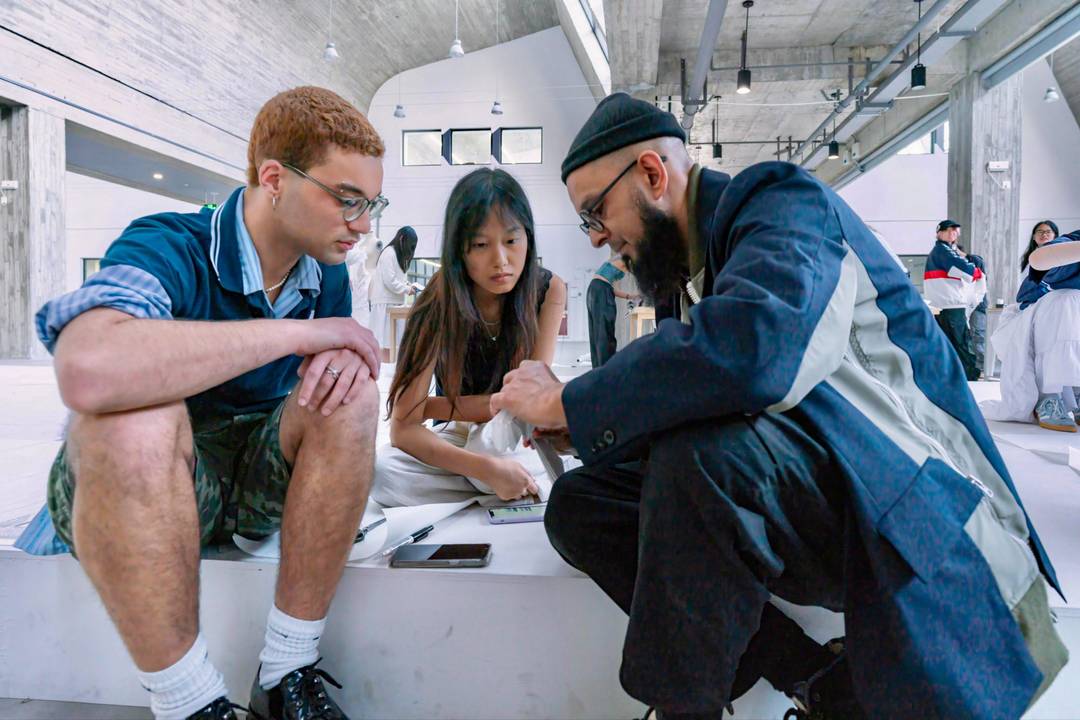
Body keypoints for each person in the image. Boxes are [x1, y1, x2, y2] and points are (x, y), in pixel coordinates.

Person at [490, 93, 1066, 720]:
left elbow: (761, 355)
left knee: (701, 457)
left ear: (653, 175)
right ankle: (815, 675)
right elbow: (718, 392)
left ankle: (683, 710)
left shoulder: (782, 202)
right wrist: (590, 429)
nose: (602, 241)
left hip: (927, 512)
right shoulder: (705, 262)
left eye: (596, 214)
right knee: (583, 504)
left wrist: (573, 399)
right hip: (842, 499)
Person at [34, 87, 387, 720]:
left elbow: (323, 398)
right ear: (274, 179)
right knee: (136, 415)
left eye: (371, 204)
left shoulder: (324, 273)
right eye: (347, 199)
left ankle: (287, 672)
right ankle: (191, 703)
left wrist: (333, 353)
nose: (362, 223)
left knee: (351, 392)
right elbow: (88, 369)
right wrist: (298, 334)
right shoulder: (169, 244)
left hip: (247, 475)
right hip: (148, 479)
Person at [371, 168, 566, 506]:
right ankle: (496, 483)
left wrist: (436, 407)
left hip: (510, 431)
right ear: (459, 250)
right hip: (458, 433)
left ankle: (490, 482)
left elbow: (529, 404)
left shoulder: (548, 290)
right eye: (480, 244)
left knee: (492, 445)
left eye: (511, 240)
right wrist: (486, 469)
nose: (501, 260)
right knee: (381, 470)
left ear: (528, 238)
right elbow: (403, 428)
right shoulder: (439, 299)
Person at [987, 222, 1080, 432]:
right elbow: (1041, 260)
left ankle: (1076, 394)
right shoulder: (1063, 246)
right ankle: (1049, 396)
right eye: (1041, 232)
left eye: (1048, 232)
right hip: (1044, 312)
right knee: (1064, 301)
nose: (1044, 234)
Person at [923, 220, 982, 380]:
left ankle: (951, 377)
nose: (952, 233)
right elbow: (968, 270)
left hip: (942, 306)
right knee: (961, 344)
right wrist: (976, 269)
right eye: (948, 230)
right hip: (951, 306)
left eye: (955, 231)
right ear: (939, 233)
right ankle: (968, 377)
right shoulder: (943, 251)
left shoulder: (940, 251)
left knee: (947, 344)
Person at [369, 225, 419, 360]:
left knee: (393, 343)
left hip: (394, 304)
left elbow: (397, 279)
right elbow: (389, 281)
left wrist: (408, 285)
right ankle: (382, 372)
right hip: (384, 303)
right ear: (402, 239)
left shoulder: (398, 255)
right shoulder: (389, 253)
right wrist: (407, 289)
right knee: (383, 342)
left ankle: (389, 369)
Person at [586, 254, 639, 367]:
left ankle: (598, 369)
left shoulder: (609, 268)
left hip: (594, 290)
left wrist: (631, 296)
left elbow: (612, 288)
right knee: (605, 332)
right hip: (602, 292)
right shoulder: (625, 259)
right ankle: (606, 368)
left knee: (597, 332)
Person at [956, 242, 988, 375]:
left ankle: (982, 367)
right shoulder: (954, 266)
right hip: (961, 305)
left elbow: (980, 273)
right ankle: (971, 367)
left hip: (977, 305)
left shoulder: (974, 260)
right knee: (966, 336)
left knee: (978, 335)